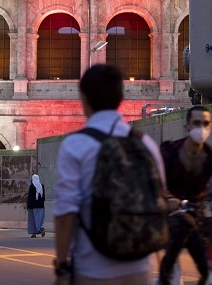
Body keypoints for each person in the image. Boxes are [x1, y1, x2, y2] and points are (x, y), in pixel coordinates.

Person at [53, 64, 165, 285]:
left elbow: (65, 213)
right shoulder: (145, 143)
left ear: (83, 98)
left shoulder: (75, 145)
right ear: (120, 97)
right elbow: (159, 198)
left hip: (93, 268)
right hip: (140, 267)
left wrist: (61, 267)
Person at [158, 106, 212, 285]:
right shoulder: (170, 151)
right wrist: (168, 199)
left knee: (209, 271)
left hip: (197, 216)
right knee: (172, 258)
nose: (201, 128)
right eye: (197, 123)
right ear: (187, 126)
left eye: (206, 123)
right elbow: (157, 181)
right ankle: (166, 276)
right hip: (171, 215)